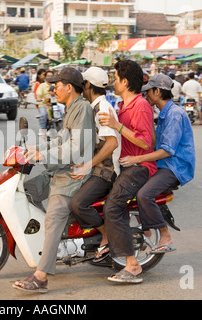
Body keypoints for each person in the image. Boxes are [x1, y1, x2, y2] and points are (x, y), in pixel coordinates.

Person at [12, 67, 96, 293]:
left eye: (57, 85)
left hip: (72, 176)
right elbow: (60, 141)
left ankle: (41, 277)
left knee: (53, 217)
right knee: (27, 191)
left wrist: (43, 155)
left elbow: (76, 147)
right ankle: (53, 244)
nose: (53, 90)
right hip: (59, 171)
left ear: (69, 87)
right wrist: (35, 148)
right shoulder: (71, 108)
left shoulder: (83, 109)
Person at [121, 74, 195, 254]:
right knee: (132, 188)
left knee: (145, 194)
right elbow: (153, 142)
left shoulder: (175, 114)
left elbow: (167, 150)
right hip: (162, 164)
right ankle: (145, 230)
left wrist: (136, 159)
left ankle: (165, 234)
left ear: (157, 91)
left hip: (174, 166)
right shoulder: (163, 113)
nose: (145, 96)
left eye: (148, 92)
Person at [97, 59, 157, 284]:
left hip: (140, 167)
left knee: (112, 207)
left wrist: (116, 125)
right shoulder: (123, 105)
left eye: (115, 78)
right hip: (125, 165)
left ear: (124, 81)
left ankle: (132, 265)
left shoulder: (140, 106)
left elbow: (145, 142)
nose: (113, 82)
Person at [70, 67, 121, 262]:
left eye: (82, 84)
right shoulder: (93, 107)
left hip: (106, 171)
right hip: (97, 167)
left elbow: (111, 143)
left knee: (78, 203)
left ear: (88, 85)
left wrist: (87, 165)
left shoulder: (102, 109)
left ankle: (106, 234)